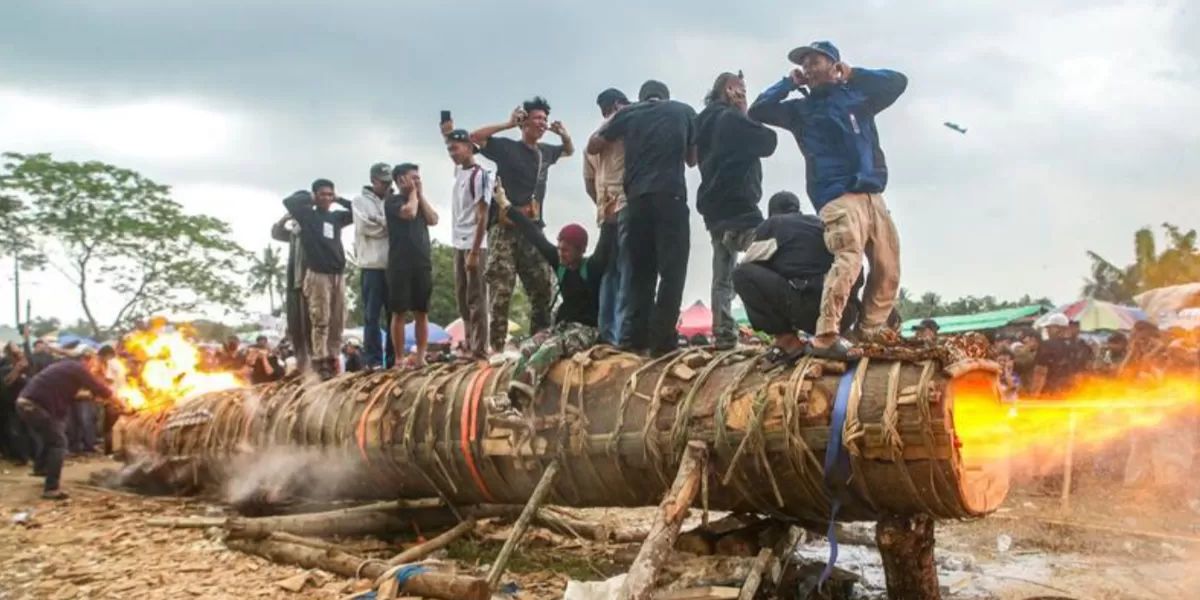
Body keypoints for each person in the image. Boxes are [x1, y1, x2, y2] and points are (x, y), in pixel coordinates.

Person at [749, 40, 908, 360]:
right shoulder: (800, 110)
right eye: (804, 64)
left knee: (888, 266)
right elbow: (758, 110)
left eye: (815, 61)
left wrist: (854, 74)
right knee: (848, 258)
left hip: (872, 191)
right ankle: (826, 334)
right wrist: (787, 84)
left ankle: (867, 332)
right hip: (836, 193)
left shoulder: (858, 97)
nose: (808, 68)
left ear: (834, 65)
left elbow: (897, 82)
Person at [587, 80, 698, 356]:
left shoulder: (629, 113)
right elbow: (692, 159)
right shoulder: (683, 111)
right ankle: (663, 341)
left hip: (635, 202)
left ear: (642, 98)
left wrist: (618, 125)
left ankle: (634, 340)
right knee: (672, 272)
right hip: (670, 196)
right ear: (666, 96)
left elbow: (594, 146)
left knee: (639, 273)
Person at [491, 178, 616, 412]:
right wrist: (506, 206)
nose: (560, 254)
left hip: (586, 331)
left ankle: (519, 400)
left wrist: (608, 220)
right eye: (559, 248)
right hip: (562, 327)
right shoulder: (559, 265)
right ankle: (507, 395)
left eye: (566, 250)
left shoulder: (592, 268)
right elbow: (533, 234)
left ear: (580, 251)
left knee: (549, 348)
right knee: (526, 346)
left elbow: (605, 246)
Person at [469, 97, 573, 351]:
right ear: (524, 122)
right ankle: (497, 349)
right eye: (537, 118)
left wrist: (564, 135)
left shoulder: (545, 152)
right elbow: (475, 137)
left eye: (545, 119)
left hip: (533, 230)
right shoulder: (507, 148)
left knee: (543, 288)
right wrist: (507, 124)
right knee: (501, 289)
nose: (542, 123)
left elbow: (568, 150)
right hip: (504, 228)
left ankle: (539, 342)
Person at [695, 72, 778, 349]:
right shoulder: (731, 118)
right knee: (771, 254)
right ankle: (779, 326)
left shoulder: (702, 121)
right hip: (740, 206)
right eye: (741, 89)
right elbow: (768, 141)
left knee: (722, 275)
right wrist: (744, 111)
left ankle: (724, 334)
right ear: (730, 90)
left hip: (714, 209)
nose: (744, 94)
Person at [732, 191, 863, 364]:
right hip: (844, 314)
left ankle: (787, 342)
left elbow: (749, 262)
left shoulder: (774, 224)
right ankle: (838, 336)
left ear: (772, 212)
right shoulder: (821, 223)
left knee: (741, 274)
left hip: (810, 311)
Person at [16, 348, 114, 499]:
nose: (93, 366)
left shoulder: (65, 366)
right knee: (59, 443)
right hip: (35, 406)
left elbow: (70, 394)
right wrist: (121, 402)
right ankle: (51, 489)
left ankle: (40, 469)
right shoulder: (76, 367)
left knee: (52, 437)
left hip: (26, 404)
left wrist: (90, 396)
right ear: (86, 359)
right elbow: (101, 389)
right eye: (93, 361)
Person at [283, 179, 354, 380]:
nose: (326, 198)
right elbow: (289, 201)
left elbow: (357, 211)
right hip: (318, 274)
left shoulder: (336, 217)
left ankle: (333, 357)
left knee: (337, 320)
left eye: (330, 194)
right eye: (323, 194)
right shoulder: (307, 216)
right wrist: (311, 199)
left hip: (338, 273)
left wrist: (339, 199)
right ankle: (320, 359)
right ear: (315, 195)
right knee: (320, 318)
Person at [584, 88, 631, 345]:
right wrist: (606, 206)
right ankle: (616, 334)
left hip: (614, 209)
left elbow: (589, 183)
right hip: (619, 208)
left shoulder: (621, 134)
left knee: (616, 272)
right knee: (619, 271)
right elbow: (589, 182)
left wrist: (603, 205)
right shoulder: (617, 134)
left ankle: (612, 333)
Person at [441, 125, 492, 359]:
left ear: (469, 147)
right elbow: (451, 139)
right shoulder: (459, 172)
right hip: (458, 242)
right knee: (462, 298)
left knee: (476, 297)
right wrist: (447, 131)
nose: (452, 153)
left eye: (456, 148)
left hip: (474, 243)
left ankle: (480, 348)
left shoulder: (480, 176)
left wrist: (474, 251)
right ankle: (470, 344)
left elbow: (483, 216)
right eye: (449, 149)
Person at [385, 164, 439, 368]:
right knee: (399, 311)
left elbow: (433, 219)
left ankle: (421, 356)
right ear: (401, 180)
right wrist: (413, 194)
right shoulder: (393, 201)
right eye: (413, 177)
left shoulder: (419, 201)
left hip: (422, 262)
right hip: (400, 263)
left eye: (418, 177)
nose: (417, 181)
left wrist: (420, 195)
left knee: (421, 311)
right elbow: (409, 213)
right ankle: (399, 358)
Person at [352, 162, 396, 370]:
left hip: (392, 266)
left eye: (389, 182)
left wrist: (379, 220)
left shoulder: (393, 200)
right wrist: (387, 224)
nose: (387, 186)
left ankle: (394, 359)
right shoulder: (359, 202)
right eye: (383, 182)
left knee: (394, 315)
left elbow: (399, 224)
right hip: (371, 266)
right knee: (372, 315)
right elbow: (365, 227)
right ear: (373, 180)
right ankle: (373, 360)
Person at [271, 211, 311, 373]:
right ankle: (302, 364)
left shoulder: (313, 228)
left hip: (310, 280)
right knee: (296, 325)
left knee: (310, 324)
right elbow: (276, 233)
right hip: (294, 282)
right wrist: (285, 218)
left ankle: (312, 364)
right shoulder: (293, 234)